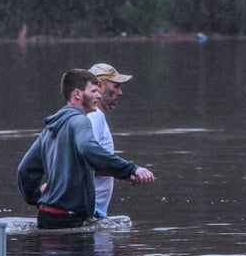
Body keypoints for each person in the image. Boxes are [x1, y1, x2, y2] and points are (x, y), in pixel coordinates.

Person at [17, 68, 155, 229]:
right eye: (94, 91)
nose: (98, 95)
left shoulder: (49, 129)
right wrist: (131, 169)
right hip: (70, 218)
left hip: (46, 216)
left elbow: (24, 170)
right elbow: (90, 150)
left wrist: (37, 199)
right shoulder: (81, 121)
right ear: (77, 94)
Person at [86, 61, 151, 217]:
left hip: (92, 211)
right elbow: (85, 164)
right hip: (90, 209)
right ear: (100, 86)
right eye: (116, 87)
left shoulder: (95, 116)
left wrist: (124, 173)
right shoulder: (94, 117)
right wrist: (126, 172)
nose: (120, 93)